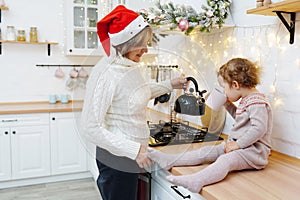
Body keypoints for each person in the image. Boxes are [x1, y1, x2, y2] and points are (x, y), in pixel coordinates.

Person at [80, 5, 188, 200]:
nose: (146, 49)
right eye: (142, 44)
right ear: (125, 43)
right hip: (116, 158)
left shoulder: (131, 66)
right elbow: (90, 127)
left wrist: (169, 84)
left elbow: (138, 93)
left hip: (131, 155)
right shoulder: (106, 74)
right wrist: (135, 150)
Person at [148, 58, 273, 193]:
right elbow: (242, 119)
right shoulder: (248, 100)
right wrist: (228, 105)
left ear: (235, 84)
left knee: (225, 161)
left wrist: (238, 144)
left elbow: (259, 129)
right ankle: (170, 160)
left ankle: (196, 181)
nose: (224, 92)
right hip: (241, 146)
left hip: (254, 152)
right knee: (206, 151)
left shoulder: (257, 103)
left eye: (225, 87)